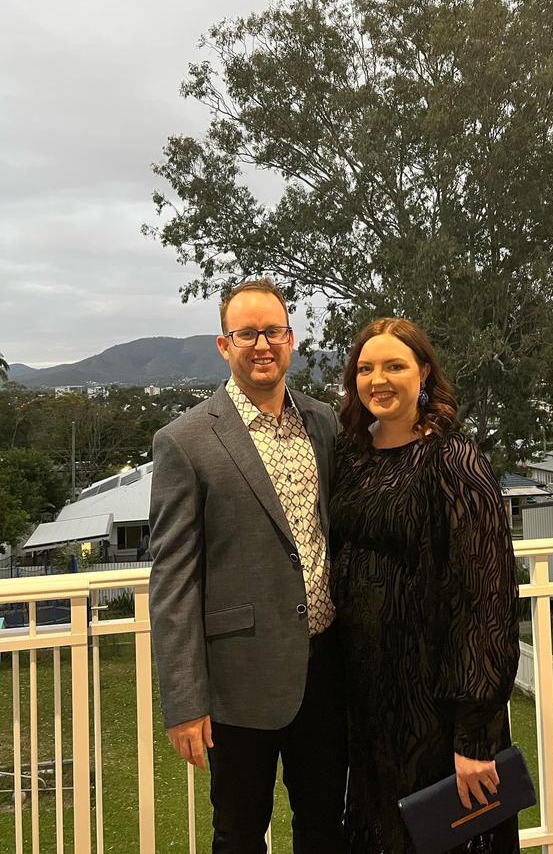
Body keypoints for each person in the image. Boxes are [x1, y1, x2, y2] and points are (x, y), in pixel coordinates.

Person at [148, 278, 347, 854]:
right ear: (223, 344)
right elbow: (174, 579)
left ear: (291, 339)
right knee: (238, 835)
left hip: (325, 669)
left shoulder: (323, 424)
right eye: (247, 333)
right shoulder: (185, 442)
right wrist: (184, 701)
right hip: (238, 681)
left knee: (325, 828)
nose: (262, 344)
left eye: (274, 332)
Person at [330, 317, 521, 854]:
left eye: (394, 365)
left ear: (424, 373)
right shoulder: (352, 455)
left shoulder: (453, 461)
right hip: (367, 704)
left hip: (433, 706)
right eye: (365, 368)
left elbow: (486, 600)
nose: (378, 379)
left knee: (439, 839)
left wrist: (475, 737)